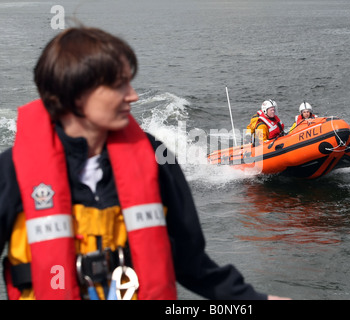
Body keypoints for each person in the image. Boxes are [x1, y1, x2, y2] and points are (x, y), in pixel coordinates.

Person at [0, 27, 287, 300]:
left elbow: (191, 263)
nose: (132, 96)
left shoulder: (154, 158)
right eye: (118, 85)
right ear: (76, 95)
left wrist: (254, 298)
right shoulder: (13, 171)